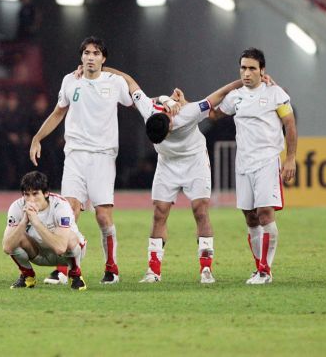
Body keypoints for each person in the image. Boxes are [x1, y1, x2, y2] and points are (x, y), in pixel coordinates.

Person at [107, 68, 243, 284]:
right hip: (167, 164)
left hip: (195, 161)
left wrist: (242, 82)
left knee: (200, 210)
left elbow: (218, 95)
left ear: (170, 122)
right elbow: (130, 81)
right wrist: (104, 69)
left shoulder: (188, 113)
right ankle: (153, 271)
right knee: (159, 213)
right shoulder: (147, 109)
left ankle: (206, 269)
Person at [30, 36, 133, 285]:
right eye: (86, 53)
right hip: (75, 154)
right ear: (81, 57)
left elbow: (133, 94)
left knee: (103, 216)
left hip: (103, 156)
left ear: (103, 58)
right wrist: (37, 138)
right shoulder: (70, 81)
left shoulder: (114, 83)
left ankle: (111, 268)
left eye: (96, 53)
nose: (90, 57)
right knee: (69, 211)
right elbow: (58, 112)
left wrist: (109, 71)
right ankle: (63, 269)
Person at [211, 48, 297, 285]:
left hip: (267, 161)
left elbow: (290, 124)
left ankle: (265, 271)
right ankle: (260, 267)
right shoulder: (235, 96)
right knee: (250, 217)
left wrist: (290, 158)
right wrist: (188, 105)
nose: (247, 73)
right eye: (243, 68)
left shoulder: (275, 93)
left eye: (252, 68)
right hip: (243, 163)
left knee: (265, 213)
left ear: (262, 71)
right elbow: (213, 115)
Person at [3, 171, 87, 290]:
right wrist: (24, 222)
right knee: (15, 237)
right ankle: (28, 276)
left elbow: (60, 248)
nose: (31, 199)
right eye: (27, 194)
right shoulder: (17, 206)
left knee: (70, 238)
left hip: (67, 254)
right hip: (38, 253)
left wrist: (36, 221)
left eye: (35, 194)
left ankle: (75, 275)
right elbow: (7, 247)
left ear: (46, 193)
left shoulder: (60, 205)